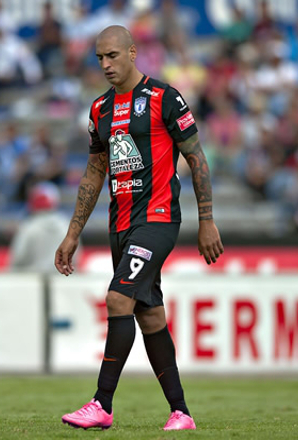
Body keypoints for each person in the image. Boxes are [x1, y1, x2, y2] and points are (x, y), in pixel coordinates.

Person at [54, 25, 224, 431]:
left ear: (132, 53)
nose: (105, 64)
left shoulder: (165, 98)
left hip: (158, 219)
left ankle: (102, 404)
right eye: (100, 58)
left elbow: (197, 158)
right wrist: (73, 233)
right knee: (150, 317)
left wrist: (207, 220)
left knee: (118, 299)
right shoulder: (100, 109)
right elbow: (94, 173)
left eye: (112, 55)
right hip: (121, 224)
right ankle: (181, 412)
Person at [9, 182, 72, 273]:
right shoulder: (67, 227)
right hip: (62, 277)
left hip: (31, 277)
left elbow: (18, 258)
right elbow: (75, 258)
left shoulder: (28, 227)